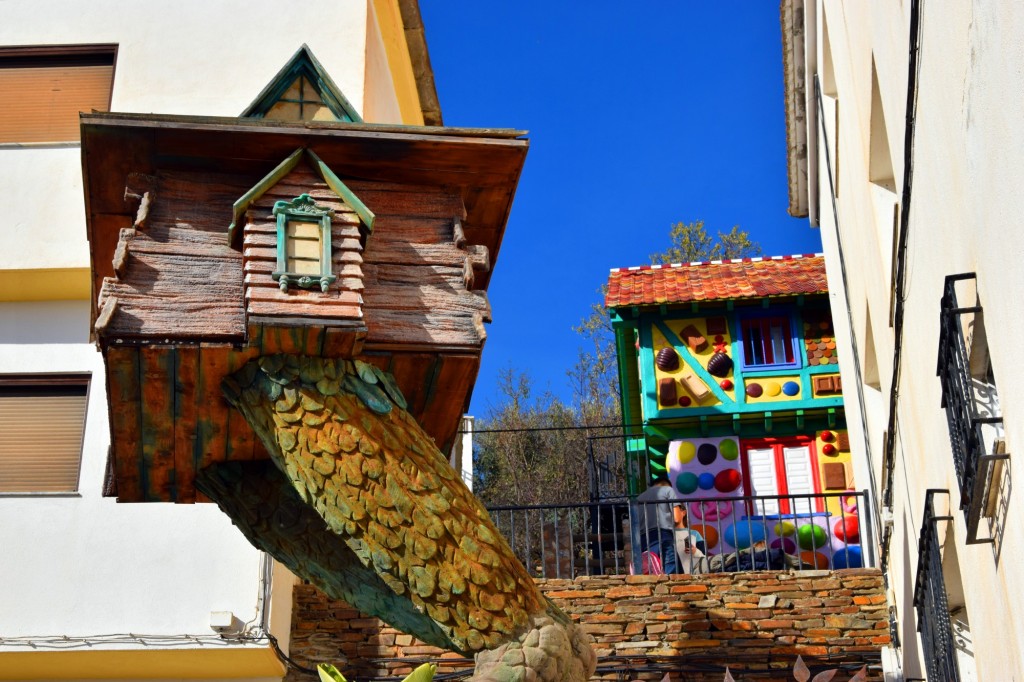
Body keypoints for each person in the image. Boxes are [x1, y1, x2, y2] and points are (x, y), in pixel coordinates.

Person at [635, 475, 682, 574]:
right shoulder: (668, 490)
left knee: (652, 570)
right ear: (667, 484)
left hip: (643, 538)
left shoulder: (639, 498)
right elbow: (677, 518)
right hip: (663, 534)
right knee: (671, 568)